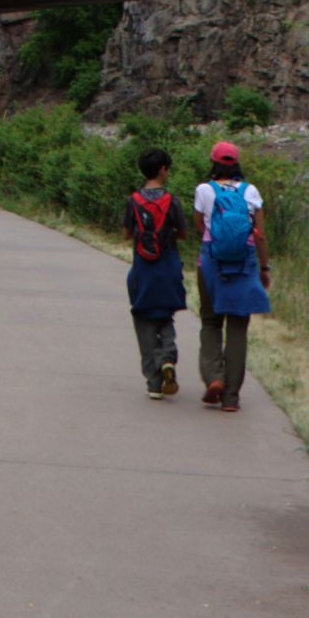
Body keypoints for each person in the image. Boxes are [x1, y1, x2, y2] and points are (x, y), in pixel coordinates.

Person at [194, 140, 271, 413]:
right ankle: (231, 398)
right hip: (245, 263)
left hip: (211, 263)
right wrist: (264, 268)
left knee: (211, 322)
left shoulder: (204, 190)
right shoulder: (251, 191)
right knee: (238, 327)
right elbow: (260, 236)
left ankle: (214, 376)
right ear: (237, 163)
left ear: (213, 163)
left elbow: (200, 228)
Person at [122, 148, 187, 399]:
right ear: (162, 170)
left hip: (142, 268)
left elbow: (127, 234)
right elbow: (182, 233)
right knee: (165, 315)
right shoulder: (172, 201)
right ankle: (168, 358)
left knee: (143, 317)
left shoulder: (133, 200)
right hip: (168, 264)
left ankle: (153, 383)